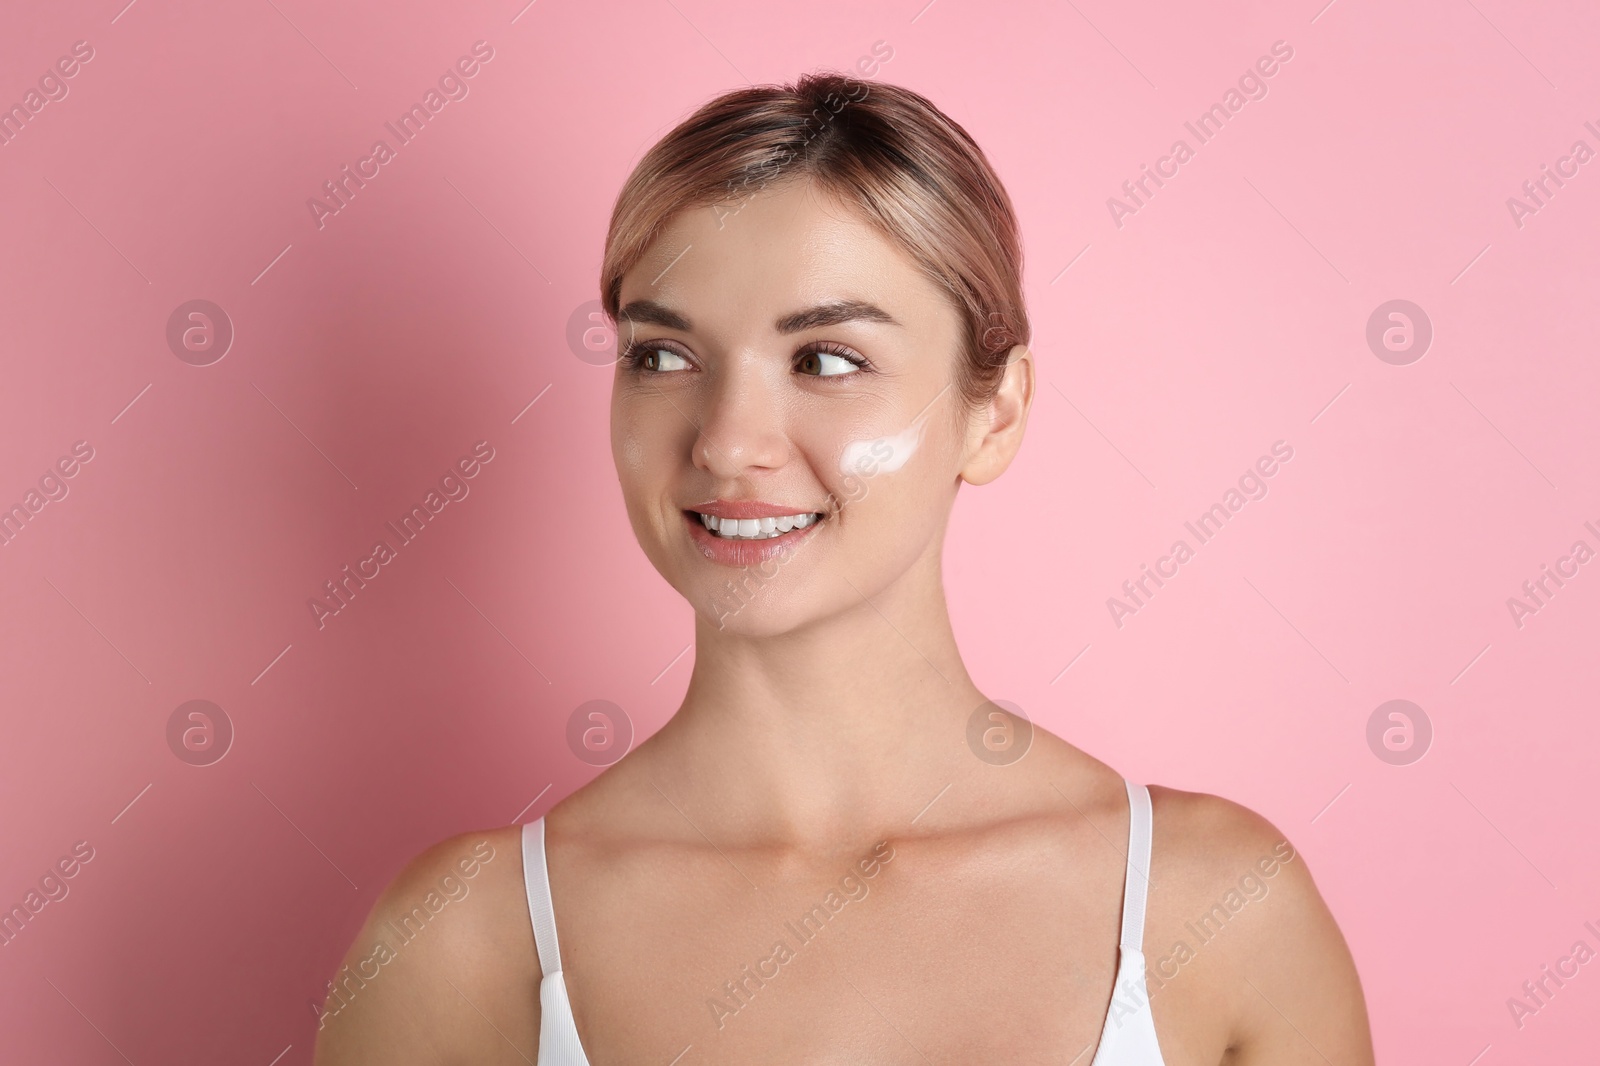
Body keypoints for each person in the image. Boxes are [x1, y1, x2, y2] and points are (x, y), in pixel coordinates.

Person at [314, 72, 1373, 1065]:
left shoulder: (1215, 911)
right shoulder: (461, 943)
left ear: (993, 415)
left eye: (826, 360)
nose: (727, 442)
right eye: (663, 356)